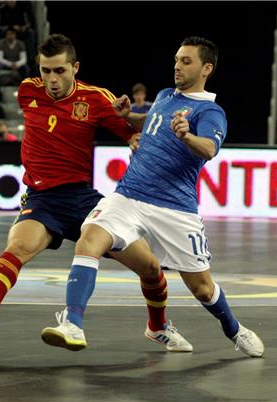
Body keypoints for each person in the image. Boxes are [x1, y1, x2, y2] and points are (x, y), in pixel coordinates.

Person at [0, 33, 192, 353]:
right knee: (19, 246)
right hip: (42, 199)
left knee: (150, 266)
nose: (52, 79)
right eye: (46, 71)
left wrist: (136, 140)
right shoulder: (27, 91)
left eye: (60, 71)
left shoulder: (95, 99)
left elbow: (130, 130)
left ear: (74, 68)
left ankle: (158, 326)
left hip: (82, 199)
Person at [41, 36, 265, 358]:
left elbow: (210, 149)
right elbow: (152, 122)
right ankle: (72, 323)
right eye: (176, 59)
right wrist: (128, 117)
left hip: (175, 210)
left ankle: (233, 328)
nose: (177, 65)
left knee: (201, 288)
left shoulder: (211, 111)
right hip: (129, 196)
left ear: (206, 68)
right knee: (88, 239)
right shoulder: (163, 96)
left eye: (186, 61)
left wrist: (188, 135)